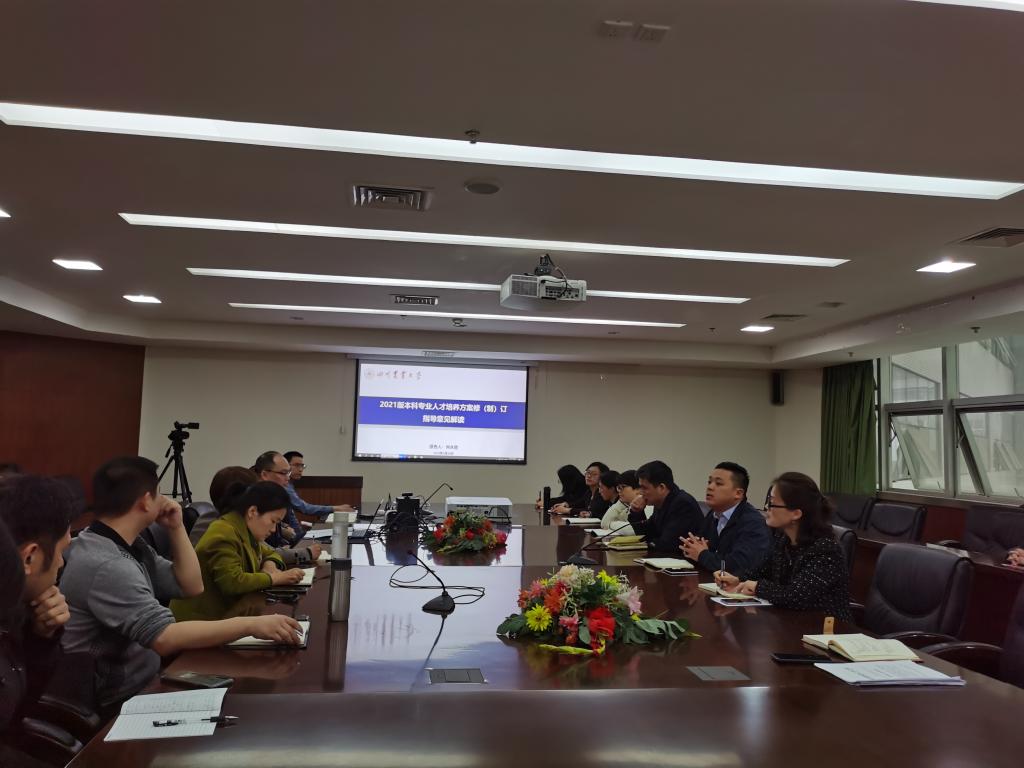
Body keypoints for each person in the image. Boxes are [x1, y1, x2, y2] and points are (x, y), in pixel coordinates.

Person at [60, 457, 304, 710]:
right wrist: (251, 625)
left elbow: (191, 586)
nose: (165, 500)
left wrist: (176, 527)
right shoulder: (108, 563)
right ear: (146, 501)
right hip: (117, 698)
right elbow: (164, 637)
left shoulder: (126, 544)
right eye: (159, 493)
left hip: (145, 676)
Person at [0, 477, 76, 766]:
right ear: (29, 557)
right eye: (61, 552)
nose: (61, 564)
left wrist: (41, 637)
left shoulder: (17, 613)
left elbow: (16, 713)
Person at [715, 472, 852, 621]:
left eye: (772, 503)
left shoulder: (825, 549)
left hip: (826, 628)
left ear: (796, 513)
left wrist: (757, 587)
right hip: (792, 622)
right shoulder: (783, 540)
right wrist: (737, 580)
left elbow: (796, 596)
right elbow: (760, 572)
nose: (766, 507)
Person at [172, 482, 305, 621]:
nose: (273, 529)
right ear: (252, 512)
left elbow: (271, 553)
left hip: (230, 614)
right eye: (273, 521)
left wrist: (269, 565)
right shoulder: (223, 532)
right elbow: (232, 582)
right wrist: (276, 578)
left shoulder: (245, 529)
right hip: (198, 622)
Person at [203, 467, 320, 566]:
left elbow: (267, 552)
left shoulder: (241, 523)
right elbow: (235, 580)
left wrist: (270, 562)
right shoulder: (217, 526)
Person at [680, 462, 771, 577]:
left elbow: (738, 567)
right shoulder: (713, 515)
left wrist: (702, 555)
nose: (710, 487)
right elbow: (702, 551)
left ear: (738, 493)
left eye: (718, 483)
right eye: (709, 482)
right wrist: (691, 548)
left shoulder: (753, 523)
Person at [628, 461, 703, 553]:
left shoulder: (683, 504)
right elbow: (647, 533)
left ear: (661, 487)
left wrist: (646, 543)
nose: (640, 493)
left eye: (644, 488)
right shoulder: (660, 502)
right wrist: (636, 512)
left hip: (681, 559)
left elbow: (667, 545)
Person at [253, 451, 306, 547]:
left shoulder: (275, 495)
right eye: (284, 473)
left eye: (288, 473)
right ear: (264, 474)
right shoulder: (252, 500)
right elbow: (262, 548)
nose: (288, 478)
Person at [283, 451, 354, 520]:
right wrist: (335, 508)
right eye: (297, 465)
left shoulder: (289, 484)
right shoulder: (284, 486)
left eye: (302, 466)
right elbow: (305, 508)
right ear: (285, 466)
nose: (301, 469)